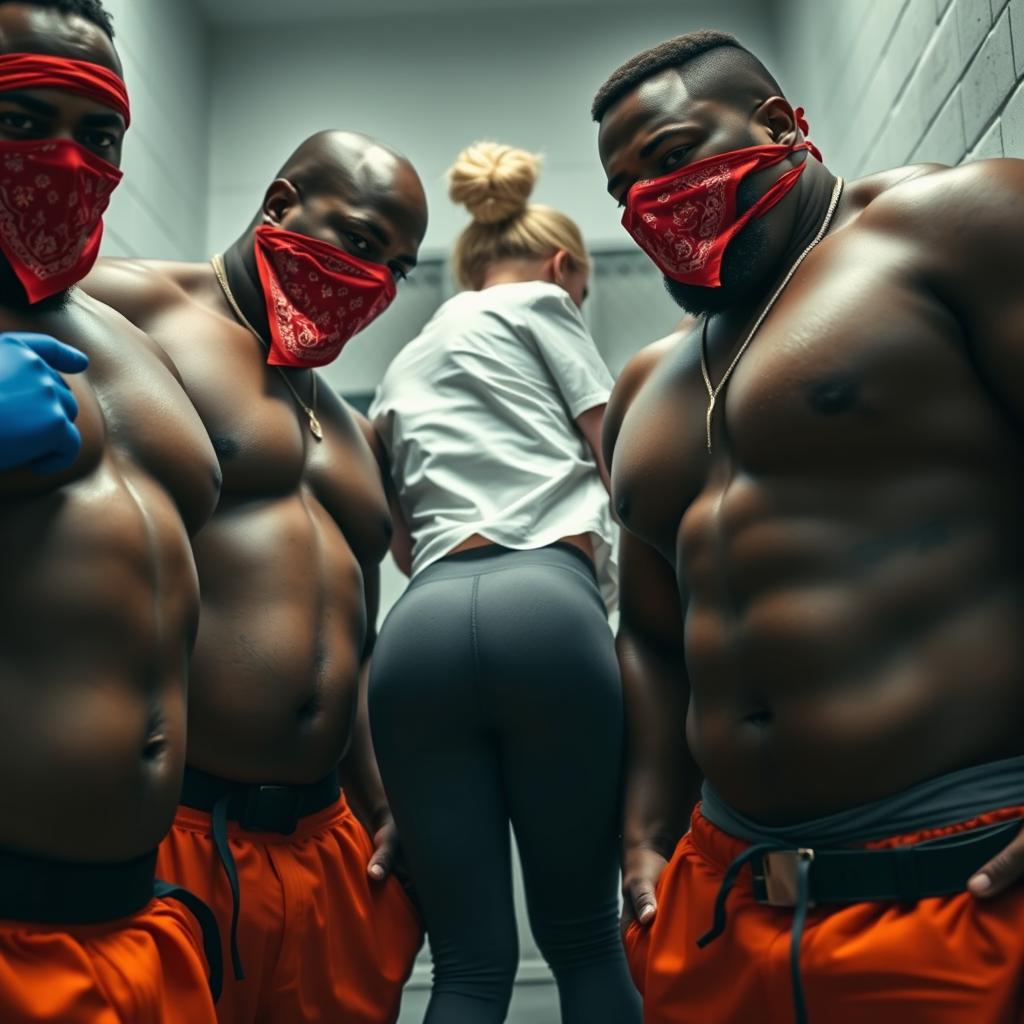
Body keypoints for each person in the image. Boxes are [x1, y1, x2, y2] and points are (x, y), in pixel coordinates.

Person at [593, 27, 1024, 1024]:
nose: (650, 204)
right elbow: (655, 636)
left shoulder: (948, 226)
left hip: (963, 879)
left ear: (781, 126)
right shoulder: (644, 389)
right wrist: (642, 831)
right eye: (623, 192)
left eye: (670, 158)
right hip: (722, 907)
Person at [82, 130, 429, 1023]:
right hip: (181, 833)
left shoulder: (344, 427)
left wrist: (382, 801)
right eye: (358, 241)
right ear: (280, 204)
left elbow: (353, 632)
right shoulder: (132, 306)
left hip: (329, 849)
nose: (373, 280)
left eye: (396, 266)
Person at [367, 142, 641, 1024]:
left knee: (470, 968)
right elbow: (618, 461)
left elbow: (402, 547)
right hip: (547, 608)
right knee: (587, 943)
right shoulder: (544, 303)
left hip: (421, 632)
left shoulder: (402, 370)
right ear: (565, 266)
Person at [0, 1, 224, 1020]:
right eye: (20, 121)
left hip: (143, 917)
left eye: (98, 135)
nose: (66, 159)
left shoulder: (124, 332)